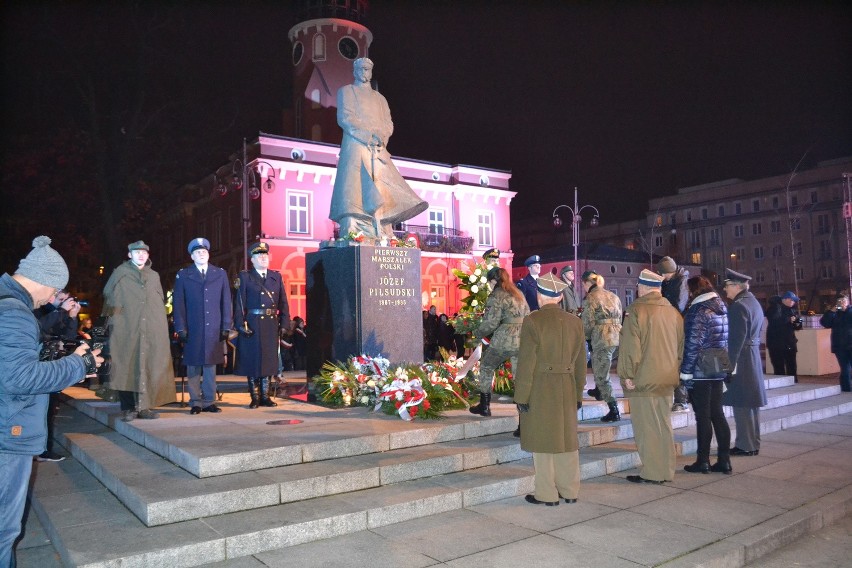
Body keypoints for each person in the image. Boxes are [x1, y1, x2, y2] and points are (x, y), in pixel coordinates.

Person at [1, 236, 103, 567]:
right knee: (4, 530)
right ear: (47, 281)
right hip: (7, 433)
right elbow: (20, 379)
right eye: (54, 290)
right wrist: (81, 364)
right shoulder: (14, 313)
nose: (51, 298)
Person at [329, 57, 428, 240]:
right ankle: (353, 231)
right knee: (356, 191)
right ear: (354, 71)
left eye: (368, 69)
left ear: (371, 72)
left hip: (378, 149)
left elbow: (388, 123)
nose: (364, 73)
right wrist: (367, 136)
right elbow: (345, 118)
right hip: (356, 147)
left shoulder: (380, 99)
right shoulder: (347, 92)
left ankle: (382, 229)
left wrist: (381, 138)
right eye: (361, 69)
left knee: (382, 189)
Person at [514, 272, 586, 506]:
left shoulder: (533, 321)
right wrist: (578, 392)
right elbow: (580, 363)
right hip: (567, 385)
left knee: (543, 439)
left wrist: (521, 395)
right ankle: (569, 490)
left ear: (540, 295)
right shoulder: (575, 321)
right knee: (566, 439)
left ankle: (546, 494)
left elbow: (526, 362)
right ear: (559, 296)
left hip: (541, 386)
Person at [618, 269, 684, 484]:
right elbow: (679, 348)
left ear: (643, 287)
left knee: (647, 427)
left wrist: (628, 374)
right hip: (667, 377)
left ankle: (653, 473)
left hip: (643, 377)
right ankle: (666, 470)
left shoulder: (636, 310)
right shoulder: (673, 312)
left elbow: (631, 347)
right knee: (663, 425)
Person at [102, 241, 176, 421]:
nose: (141, 255)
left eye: (144, 252)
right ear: (130, 255)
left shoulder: (154, 276)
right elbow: (108, 296)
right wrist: (115, 321)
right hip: (126, 327)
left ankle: (145, 407)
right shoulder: (120, 273)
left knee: (148, 365)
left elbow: (158, 304)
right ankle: (128, 408)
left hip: (151, 329)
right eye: (137, 252)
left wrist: (160, 327)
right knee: (126, 365)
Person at [172, 238, 233, 415]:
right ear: (192, 256)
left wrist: (226, 326)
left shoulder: (219, 274)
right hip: (193, 328)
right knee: (193, 366)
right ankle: (195, 402)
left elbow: (226, 301)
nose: (201, 254)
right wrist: (180, 328)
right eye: (197, 252)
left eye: (204, 252)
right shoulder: (184, 275)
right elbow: (179, 304)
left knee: (210, 366)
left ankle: (209, 401)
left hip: (214, 327)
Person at [679, 276, 732, 475]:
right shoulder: (721, 307)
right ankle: (724, 460)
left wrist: (685, 373)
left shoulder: (698, 311)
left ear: (694, 291)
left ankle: (703, 461)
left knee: (703, 416)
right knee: (717, 414)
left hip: (701, 368)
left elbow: (693, 344)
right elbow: (724, 339)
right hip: (717, 365)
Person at [234, 241, 290, 408]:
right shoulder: (245, 277)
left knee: (268, 361)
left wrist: (285, 323)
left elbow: (283, 302)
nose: (263, 258)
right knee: (252, 360)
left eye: (265, 255)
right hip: (252, 323)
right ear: (252, 260)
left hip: (271, 324)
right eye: (259, 256)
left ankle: (265, 396)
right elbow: (238, 304)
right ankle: (254, 397)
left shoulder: (276, 276)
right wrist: (240, 324)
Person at [469, 267, 530, 417]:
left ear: (493, 280)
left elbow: (491, 323)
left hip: (504, 339)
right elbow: (528, 314)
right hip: (523, 339)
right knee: (519, 376)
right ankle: (524, 418)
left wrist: (476, 333)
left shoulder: (496, 295)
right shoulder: (518, 293)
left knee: (487, 365)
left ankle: (484, 405)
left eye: (490, 282)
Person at [722, 269, 767, 456]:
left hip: (742, 359)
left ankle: (745, 445)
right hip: (752, 357)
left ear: (736, 286)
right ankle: (752, 442)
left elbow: (735, 341)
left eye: (727, 285)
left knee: (742, 404)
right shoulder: (753, 302)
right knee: (750, 404)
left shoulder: (739, 306)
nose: (724, 289)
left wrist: (728, 366)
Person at [33, 289, 83, 463]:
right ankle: (41, 449)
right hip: (38, 365)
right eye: (61, 299)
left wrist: (72, 317)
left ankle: (43, 449)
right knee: (41, 410)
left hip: (52, 365)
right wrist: (61, 310)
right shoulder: (38, 308)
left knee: (49, 409)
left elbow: (68, 338)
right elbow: (40, 327)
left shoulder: (58, 313)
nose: (64, 302)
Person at [581, 270, 622, 422]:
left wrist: (586, 338)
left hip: (603, 339)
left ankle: (613, 409)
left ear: (586, 283)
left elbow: (587, 323)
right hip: (618, 338)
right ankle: (599, 391)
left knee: (601, 374)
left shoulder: (590, 298)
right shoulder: (613, 295)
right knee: (604, 367)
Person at [658, 256, 691, 412]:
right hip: (671, 325)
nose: (663, 277)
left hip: (678, 326)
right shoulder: (670, 281)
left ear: (670, 271)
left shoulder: (681, 282)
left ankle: (681, 399)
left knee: (679, 362)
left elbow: (679, 305)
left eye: (664, 274)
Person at [765, 290, 801, 381]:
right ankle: (781, 385)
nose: (793, 302)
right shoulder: (774, 308)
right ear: (786, 299)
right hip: (776, 344)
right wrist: (789, 319)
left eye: (794, 300)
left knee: (792, 367)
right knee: (779, 368)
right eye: (792, 300)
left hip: (789, 343)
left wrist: (798, 323)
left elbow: (797, 327)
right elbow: (774, 321)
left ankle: (793, 384)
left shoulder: (793, 310)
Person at [819, 292, 852, 392]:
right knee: (845, 368)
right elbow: (825, 323)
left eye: (844, 301)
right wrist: (831, 311)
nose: (841, 303)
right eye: (839, 301)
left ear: (848, 302)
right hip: (839, 346)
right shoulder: (834, 314)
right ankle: (846, 389)